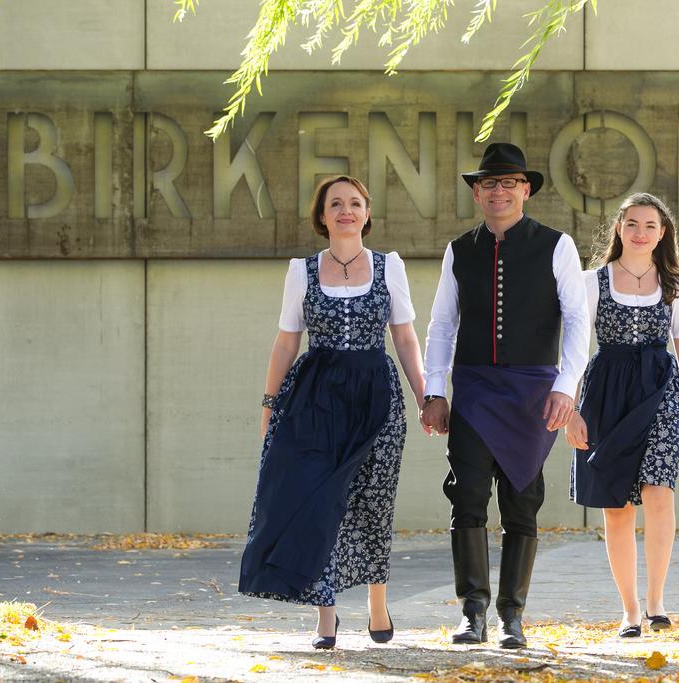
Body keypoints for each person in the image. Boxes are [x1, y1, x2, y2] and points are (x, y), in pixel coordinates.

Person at [238, 175, 427, 650]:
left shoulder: (390, 267)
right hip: (315, 398)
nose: (346, 210)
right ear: (321, 216)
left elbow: (404, 337)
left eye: (355, 203)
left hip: (375, 394)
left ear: (367, 212)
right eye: (335, 203)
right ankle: (326, 615)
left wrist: (427, 397)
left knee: (372, 500)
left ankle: (377, 602)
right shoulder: (302, 270)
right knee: (320, 502)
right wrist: (269, 401)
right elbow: (286, 340)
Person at [420, 142, 590, 649]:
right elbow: (442, 324)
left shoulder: (557, 245)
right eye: (490, 183)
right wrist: (435, 389)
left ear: (526, 190)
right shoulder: (460, 249)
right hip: (473, 388)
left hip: (533, 392)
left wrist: (566, 386)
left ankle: (512, 615)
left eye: (509, 183)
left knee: (522, 501)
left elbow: (579, 319)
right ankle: (472, 612)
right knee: (467, 495)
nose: (499, 191)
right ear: (477, 192)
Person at [565, 193, 679, 637]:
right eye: (632, 224)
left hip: (662, 391)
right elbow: (573, 349)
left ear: (663, 234)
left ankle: (658, 601)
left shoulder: (675, 284)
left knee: (660, 492)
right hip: (606, 392)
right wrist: (571, 408)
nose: (640, 233)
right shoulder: (591, 282)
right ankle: (630, 611)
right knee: (617, 504)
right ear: (619, 229)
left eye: (650, 226)